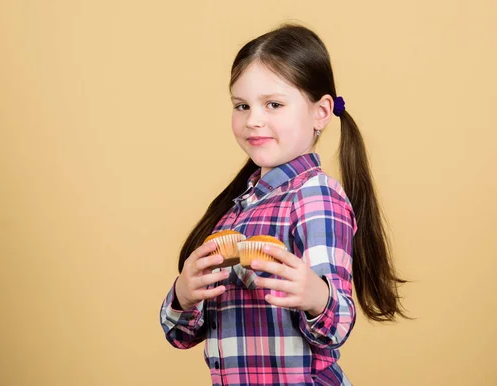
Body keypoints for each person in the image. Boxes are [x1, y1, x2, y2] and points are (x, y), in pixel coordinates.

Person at [159, 23, 406, 386]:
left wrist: (315, 295)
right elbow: (180, 336)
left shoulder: (315, 196)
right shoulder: (236, 208)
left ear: (320, 112)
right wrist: (183, 295)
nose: (253, 120)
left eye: (273, 104)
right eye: (241, 106)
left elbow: (336, 326)